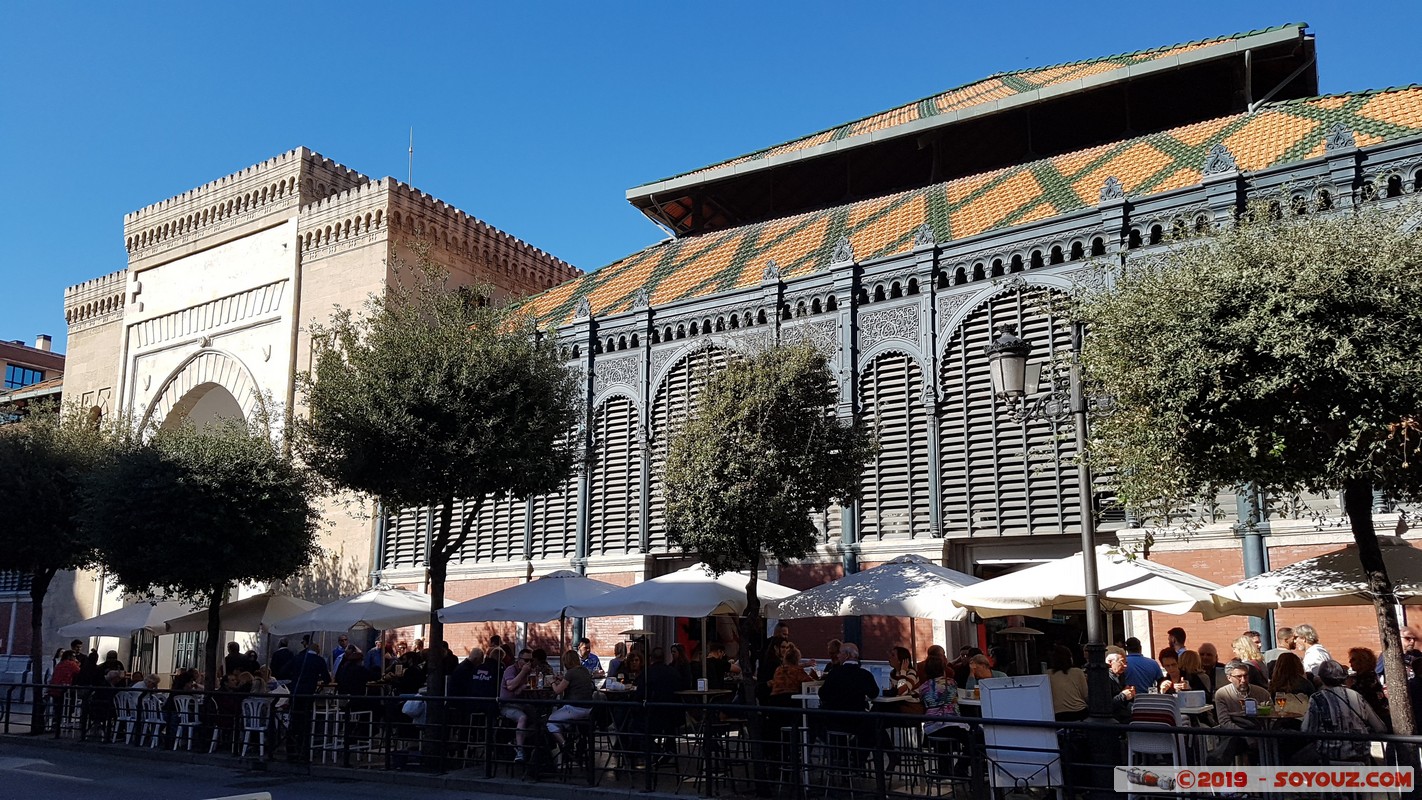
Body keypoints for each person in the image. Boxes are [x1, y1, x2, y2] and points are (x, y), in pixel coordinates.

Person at [1297, 659, 1387, 765]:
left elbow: (1306, 730)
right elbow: (1380, 728)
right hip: (1360, 757)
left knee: (1294, 761)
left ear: (1321, 678)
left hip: (1329, 758)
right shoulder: (1356, 696)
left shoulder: (1317, 698)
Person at [1207, 660, 1271, 766]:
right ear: (1229, 678)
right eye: (1239, 677)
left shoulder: (1262, 693)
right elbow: (1225, 722)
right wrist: (1246, 736)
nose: (1243, 680)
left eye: (1246, 676)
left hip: (1259, 730)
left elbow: (1272, 716)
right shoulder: (1222, 694)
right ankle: (1216, 767)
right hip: (1236, 731)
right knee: (1232, 739)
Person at [548, 649, 595, 751]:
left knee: (550, 721)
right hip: (588, 709)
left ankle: (565, 744)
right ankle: (577, 738)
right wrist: (562, 679)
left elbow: (557, 690)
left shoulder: (570, 673)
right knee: (564, 721)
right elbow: (574, 682)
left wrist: (552, 682)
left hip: (575, 708)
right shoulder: (584, 670)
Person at [1346, 648, 1389, 730]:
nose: (1350, 662)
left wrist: (1349, 685)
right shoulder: (1364, 676)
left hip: (1376, 719)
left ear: (1362, 661)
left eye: (1353, 659)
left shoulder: (1368, 678)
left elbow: (1356, 697)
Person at [1046, 645, 1088, 722]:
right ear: (1069, 658)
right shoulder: (1078, 672)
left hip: (1057, 714)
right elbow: (1086, 695)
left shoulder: (1047, 674)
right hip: (1079, 712)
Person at [1105, 648, 1136, 723]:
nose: (1125, 665)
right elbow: (1106, 706)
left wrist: (1129, 693)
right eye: (1122, 662)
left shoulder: (1120, 675)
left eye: (1126, 662)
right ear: (1110, 662)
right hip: (1113, 720)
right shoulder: (1104, 678)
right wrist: (1123, 695)